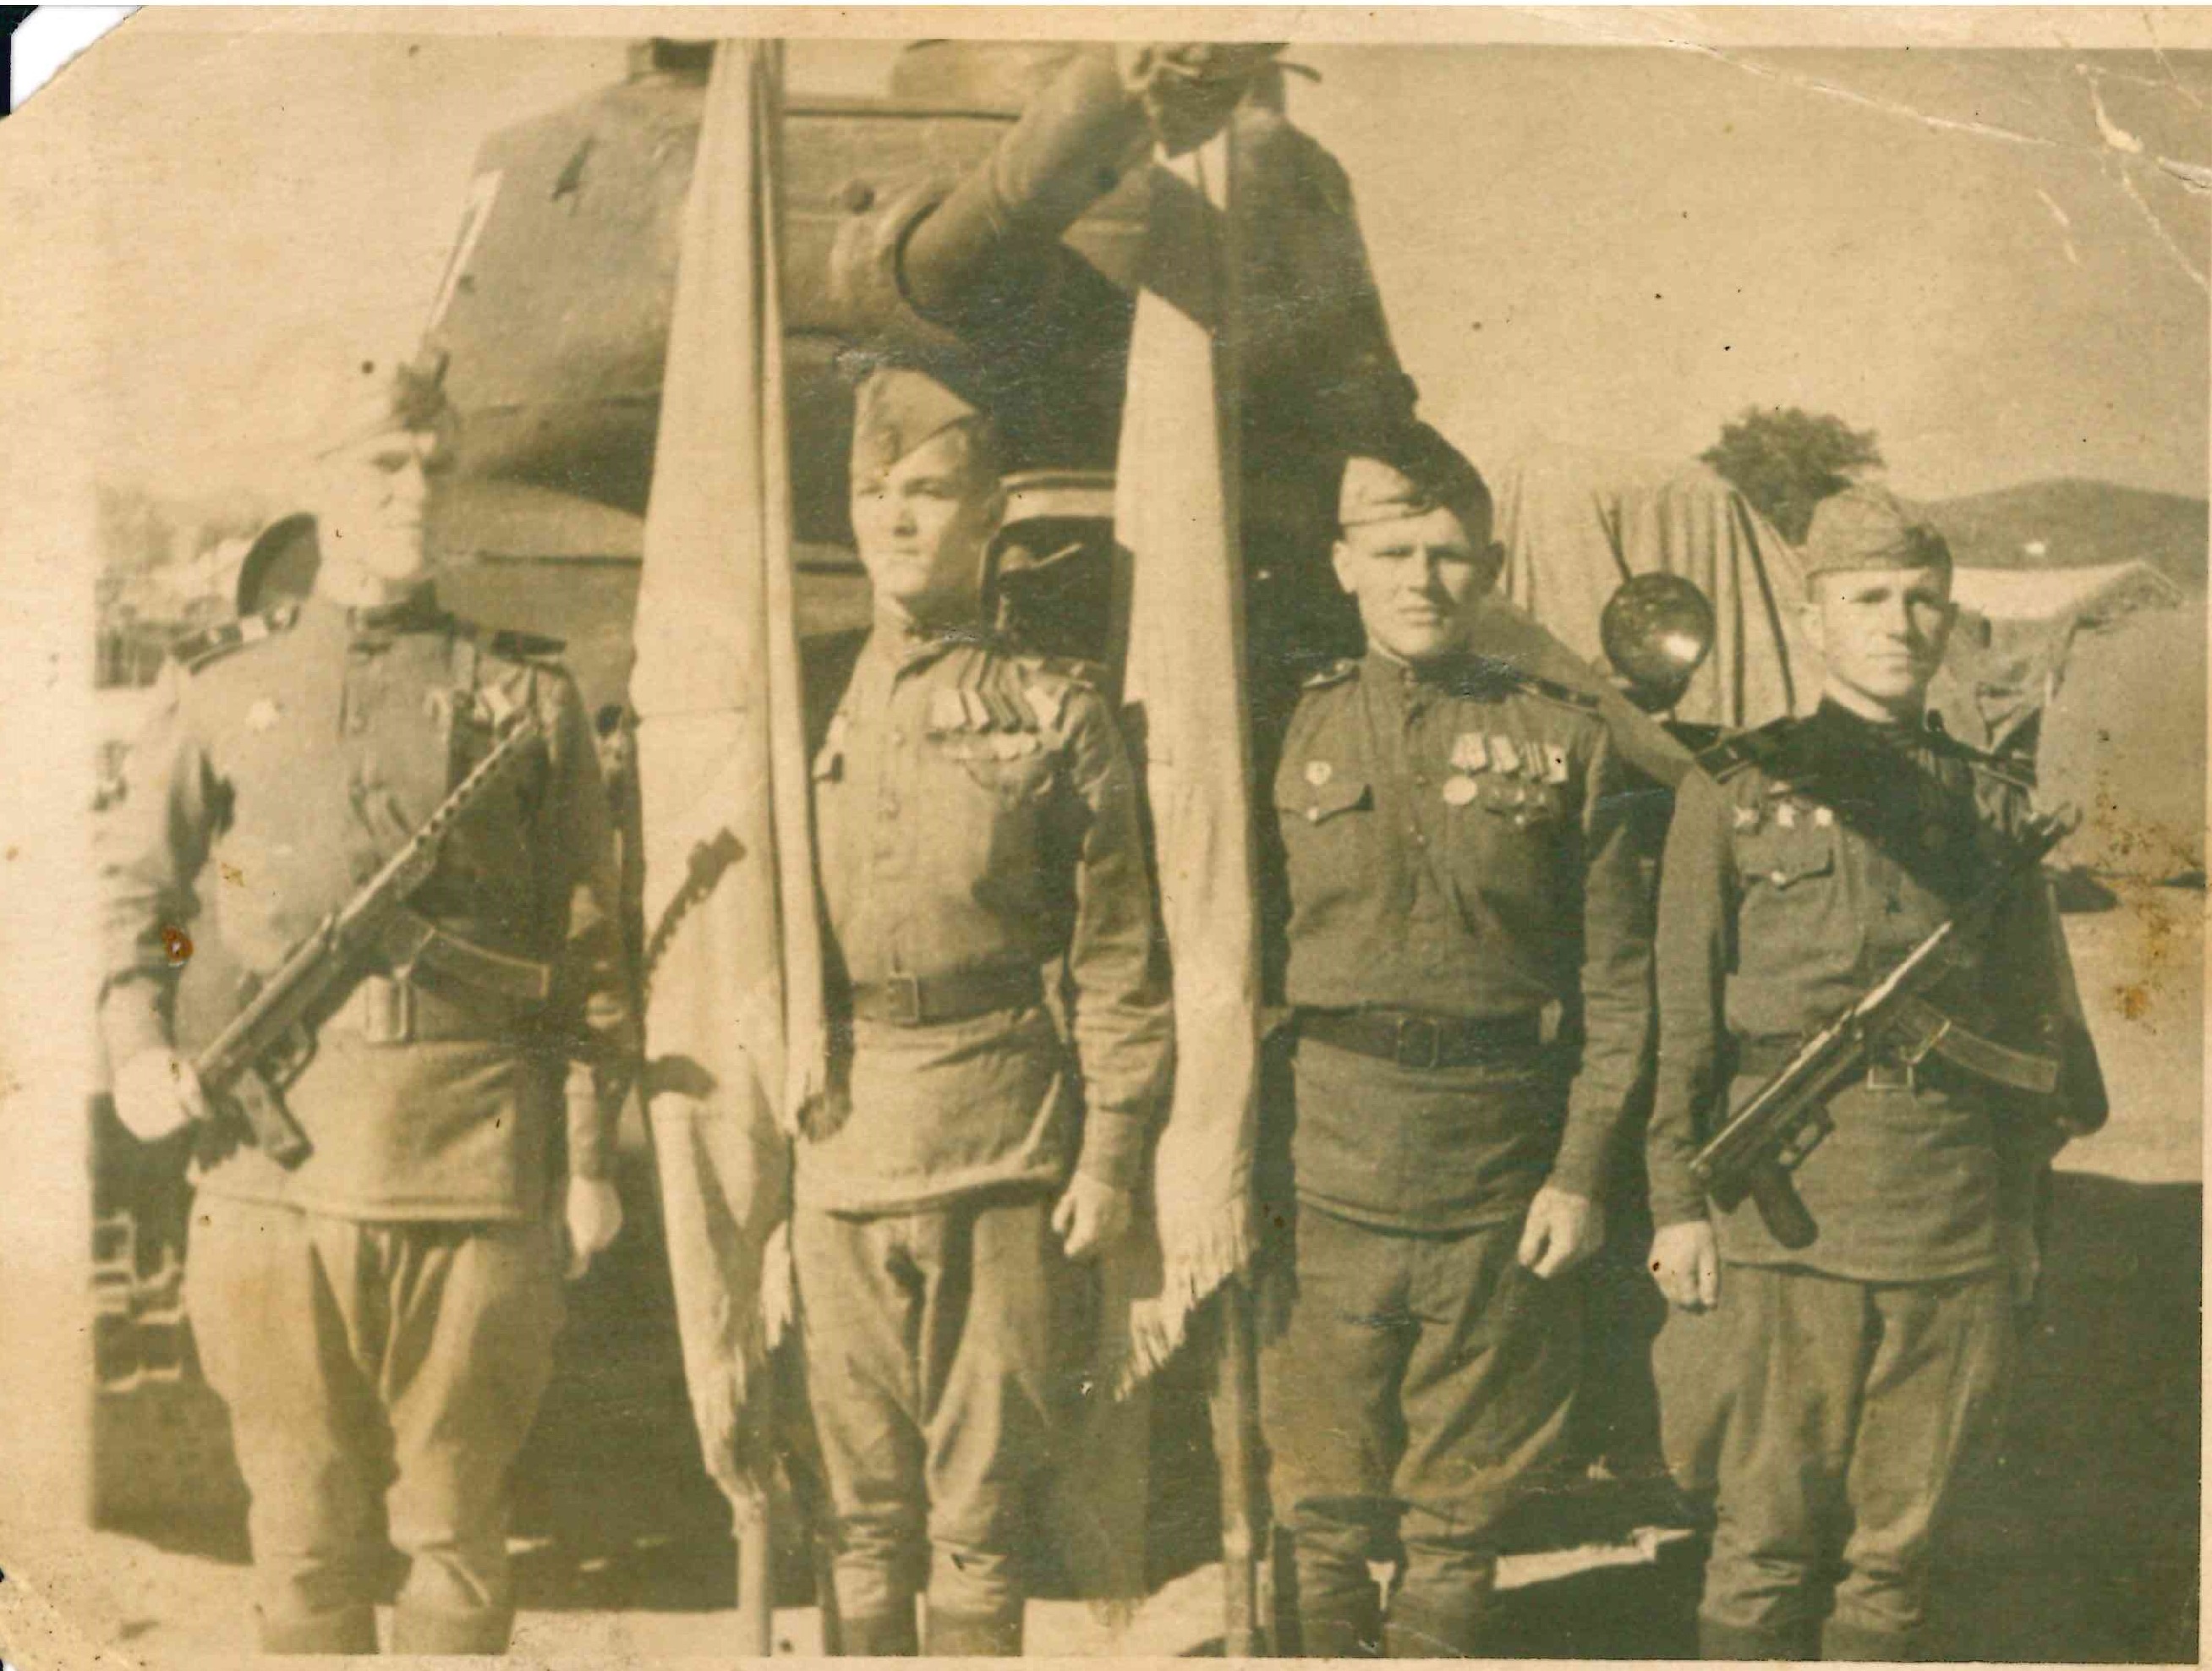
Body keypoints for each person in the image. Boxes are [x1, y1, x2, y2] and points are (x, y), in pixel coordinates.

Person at [97, 346, 634, 1655]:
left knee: (456, 1550)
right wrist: (139, 1042)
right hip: (271, 1176)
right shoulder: (225, 691)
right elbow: (147, 900)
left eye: (436, 466)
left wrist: (584, 1159)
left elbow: (587, 949)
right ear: (323, 481)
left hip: (469, 1165)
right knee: (300, 1549)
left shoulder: (528, 695)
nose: (416, 491)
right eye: (386, 465)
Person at [1645, 485, 2107, 1661]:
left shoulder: (1991, 805)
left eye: (1923, 600)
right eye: (1867, 599)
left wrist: (2017, 1216)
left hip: (1947, 1218)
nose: (1900, 624)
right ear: (1814, 619)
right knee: (1763, 1545)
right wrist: (1676, 1205)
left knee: (1898, 1562)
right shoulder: (1734, 791)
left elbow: (2038, 1044)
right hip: (1785, 1224)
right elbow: (1682, 1022)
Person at [791, 363, 1172, 1657]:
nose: (897, 519)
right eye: (873, 492)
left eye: (930, 492)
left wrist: (1111, 1153)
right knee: (858, 1517)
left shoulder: (1055, 712)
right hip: (837, 1131)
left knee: (979, 1516)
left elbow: (1117, 957)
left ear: (991, 512)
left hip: (1002, 1137)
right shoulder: (799, 702)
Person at [1259, 423, 1651, 1657]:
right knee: (1320, 1498)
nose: (1422, 580)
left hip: (1498, 1165)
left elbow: (1619, 992)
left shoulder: (1568, 737)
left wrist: (1580, 1173)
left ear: (1488, 569)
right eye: (1393, 552)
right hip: (1327, 1160)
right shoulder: (1283, 728)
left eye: (1449, 554)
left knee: (1461, 1511)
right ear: (1343, 564)